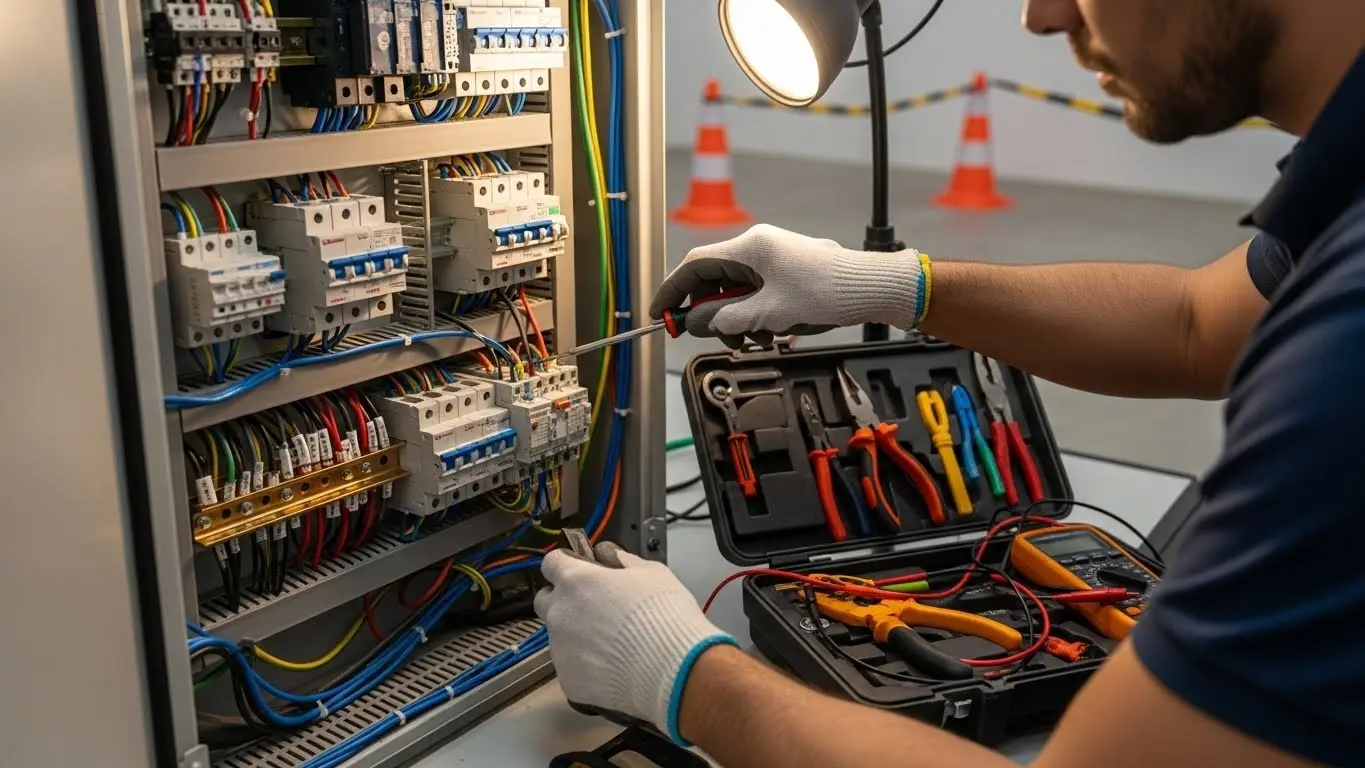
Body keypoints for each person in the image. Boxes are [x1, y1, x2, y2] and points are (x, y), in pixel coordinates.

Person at [534, 0, 1365, 765]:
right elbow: (1193, 324)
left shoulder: (1343, 353)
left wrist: (682, 677)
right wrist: (886, 285)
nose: (1039, 16)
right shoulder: (1342, 198)